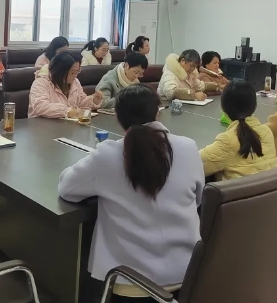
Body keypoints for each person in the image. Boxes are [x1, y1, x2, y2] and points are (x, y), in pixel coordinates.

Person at [58, 85, 203, 301]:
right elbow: (198, 200)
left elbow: (67, 188)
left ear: (117, 117)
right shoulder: (189, 148)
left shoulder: (107, 155)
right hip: (189, 273)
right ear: (157, 112)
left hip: (132, 283)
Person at [200, 81, 277, 180]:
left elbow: (194, 164)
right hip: (271, 189)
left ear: (223, 109)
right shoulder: (267, 131)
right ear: (254, 106)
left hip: (241, 190)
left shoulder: (227, 141)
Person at [29, 51, 103, 119]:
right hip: (42, 125)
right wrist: (67, 111)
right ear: (60, 71)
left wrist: (94, 101)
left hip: (66, 124)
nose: (75, 75)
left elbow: (81, 101)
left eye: (77, 71)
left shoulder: (75, 82)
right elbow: (40, 106)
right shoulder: (41, 83)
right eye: (72, 72)